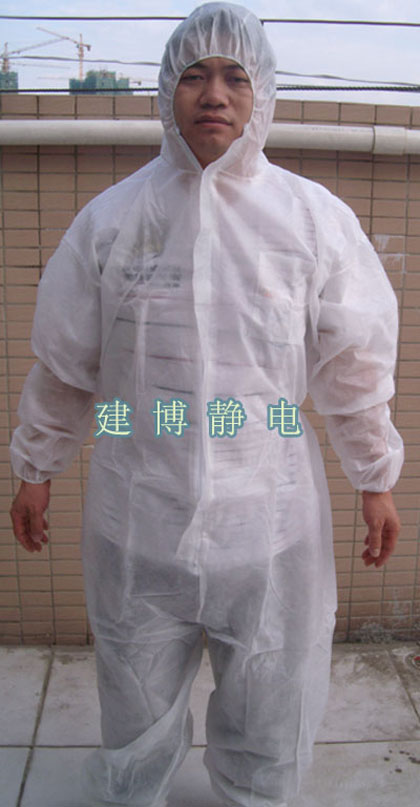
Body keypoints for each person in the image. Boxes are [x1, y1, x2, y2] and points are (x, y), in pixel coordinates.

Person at [9, 4, 403, 807]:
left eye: (235, 76)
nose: (213, 94)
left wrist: (376, 478)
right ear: (167, 91)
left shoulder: (312, 222)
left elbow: (354, 364)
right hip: (137, 516)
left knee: (271, 698)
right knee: (134, 696)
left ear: (263, 94)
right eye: (194, 75)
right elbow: (67, 363)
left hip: (269, 521)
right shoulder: (114, 221)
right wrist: (36, 466)